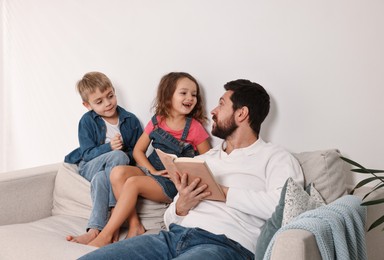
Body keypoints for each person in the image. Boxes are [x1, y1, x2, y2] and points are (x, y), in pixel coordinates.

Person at [80, 79, 304, 260]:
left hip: (224, 246)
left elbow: (284, 208)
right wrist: (181, 206)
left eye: (222, 104)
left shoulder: (276, 157)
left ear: (242, 113)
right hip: (172, 238)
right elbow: (170, 219)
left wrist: (222, 192)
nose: (213, 111)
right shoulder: (205, 159)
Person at [87, 72, 211, 247]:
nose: (190, 98)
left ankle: (105, 236)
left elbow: (208, 163)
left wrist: (181, 175)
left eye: (194, 94)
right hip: (152, 170)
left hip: (170, 182)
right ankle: (134, 225)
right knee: (117, 172)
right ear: (168, 95)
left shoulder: (195, 128)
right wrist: (151, 170)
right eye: (183, 93)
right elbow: (138, 151)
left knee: (133, 183)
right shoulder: (158, 121)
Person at [64, 71, 143, 244]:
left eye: (110, 96)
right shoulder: (86, 121)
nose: (107, 104)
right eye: (99, 102)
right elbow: (86, 153)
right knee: (116, 155)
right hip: (89, 166)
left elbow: (137, 153)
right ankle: (115, 212)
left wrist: (122, 153)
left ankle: (94, 230)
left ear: (114, 91)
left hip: (111, 172)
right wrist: (109, 148)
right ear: (87, 105)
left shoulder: (131, 120)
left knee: (102, 178)